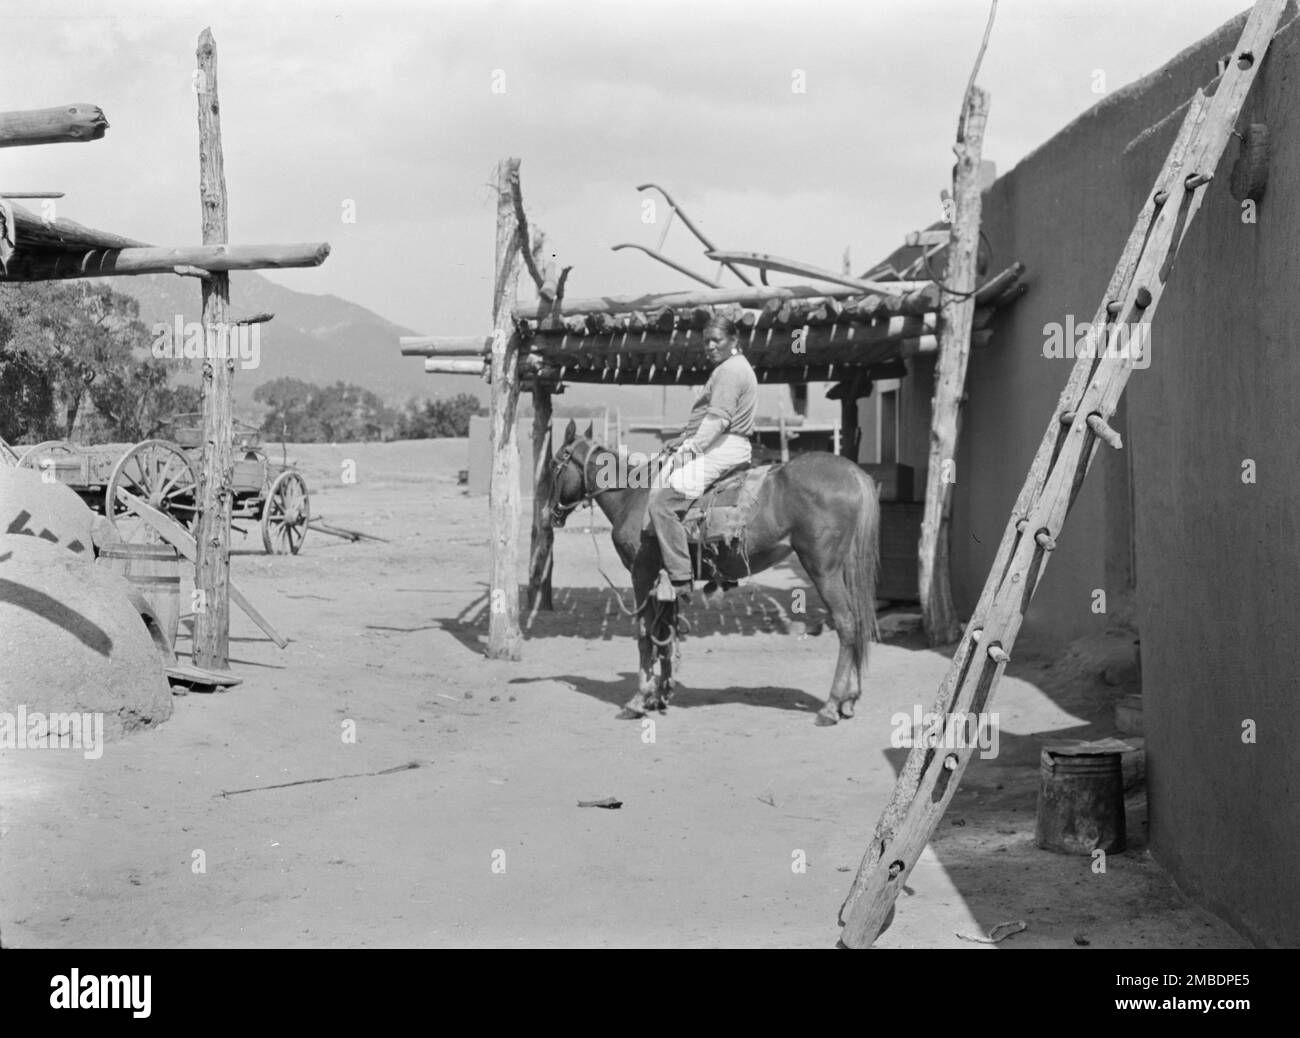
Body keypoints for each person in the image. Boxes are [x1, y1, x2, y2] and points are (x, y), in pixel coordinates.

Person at [646, 312, 758, 596]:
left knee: (663, 504)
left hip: (722, 446)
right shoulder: (734, 367)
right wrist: (683, 438)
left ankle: (681, 577)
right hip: (723, 444)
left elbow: (718, 420)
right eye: (706, 341)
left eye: (716, 340)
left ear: (733, 339)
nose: (709, 346)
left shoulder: (730, 370)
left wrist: (690, 448)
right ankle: (718, 566)